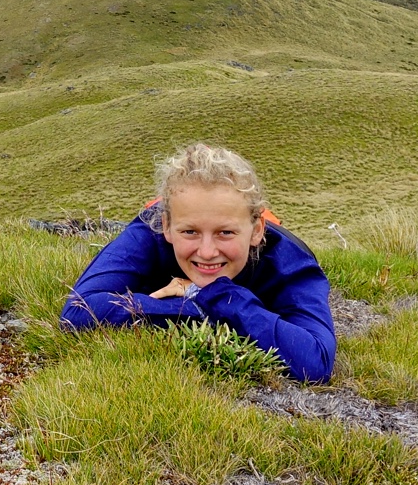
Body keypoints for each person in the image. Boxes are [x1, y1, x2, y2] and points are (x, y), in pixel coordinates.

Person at [59, 142, 336, 383]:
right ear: (166, 225)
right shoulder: (149, 233)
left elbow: (315, 361)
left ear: (257, 230)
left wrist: (219, 296)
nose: (206, 252)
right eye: (189, 231)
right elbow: (78, 312)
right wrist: (197, 307)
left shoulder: (291, 264)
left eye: (225, 232)